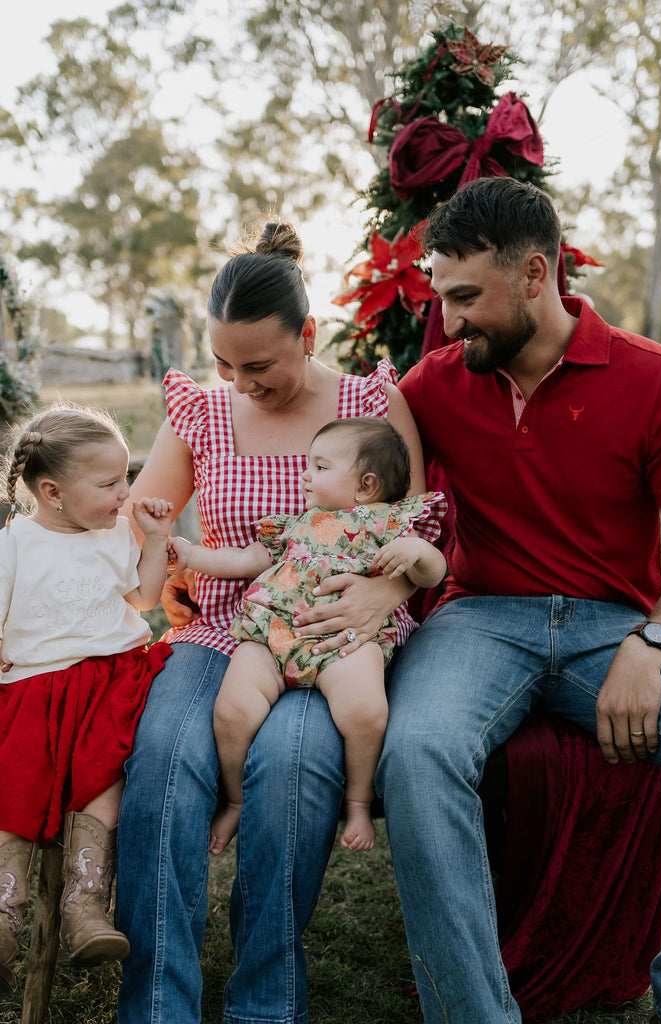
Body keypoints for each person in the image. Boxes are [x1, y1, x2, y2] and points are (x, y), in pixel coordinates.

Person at [373, 175, 661, 1024]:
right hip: (479, 619)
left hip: (614, 623)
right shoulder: (431, 385)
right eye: (441, 298)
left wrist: (650, 645)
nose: (450, 319)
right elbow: (380, 501)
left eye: (466, 297)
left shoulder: (657, 381)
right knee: (418, 751)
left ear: (537, 274)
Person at [115, 221, 436, 1024]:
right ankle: (157, 1005)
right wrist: (166, 552)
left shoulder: (370, 403)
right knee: (161, 761)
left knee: (296, 770)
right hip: (223, 628)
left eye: (258, 365)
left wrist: (379, 602)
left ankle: (264, 1003)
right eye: (225, 363)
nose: (240, 382)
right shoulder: (200, 412)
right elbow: (140, 524)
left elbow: (417, 533)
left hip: (334, 632)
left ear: (308, 335)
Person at [168, 416, 447, 854]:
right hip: (273, 636)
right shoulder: (297, 524)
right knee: (231, 711)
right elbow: (245, 560)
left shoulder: (390, 527)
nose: (305, 475)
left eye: (320, 467)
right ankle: (237, 799)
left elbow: (434, 574)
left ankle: (358, 801)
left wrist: (418, 551)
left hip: (345, 644)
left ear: (366, 485)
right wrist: (191, 555)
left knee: (367, 713)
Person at [0, 404, 172, 993]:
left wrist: (154, 539)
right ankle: (4, 912)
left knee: (104, 779)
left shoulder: (113, 535)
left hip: (109, 684)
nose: (124, 494)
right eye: (109, 484)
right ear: (52, 492)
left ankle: (85, 905)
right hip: (36, 687)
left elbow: (146, 599)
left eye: (124, 479)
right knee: (16, 780)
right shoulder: (14, 544)